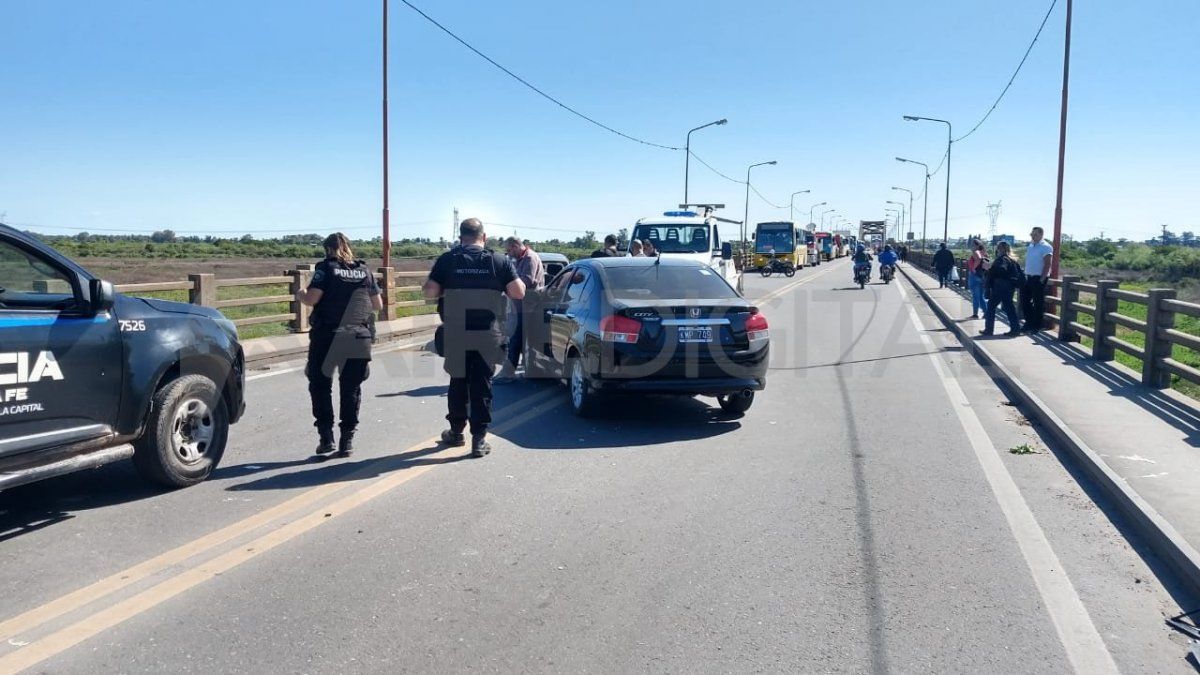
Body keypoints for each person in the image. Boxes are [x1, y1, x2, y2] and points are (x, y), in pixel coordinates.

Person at [424, 219, 525, 457]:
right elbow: (519, 292)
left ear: (461, 237)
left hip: (456, 332)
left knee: (458, 381)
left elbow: (430, 292)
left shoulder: (448, 260)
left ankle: (456, 432)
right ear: (484, 236)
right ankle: (479, 440)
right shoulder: (498, 260)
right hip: (487, 333)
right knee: (482, 385)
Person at [295, 233, 384, 457]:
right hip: (357, 336)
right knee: (351, 388)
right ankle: (347, 440)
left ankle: (326, 438)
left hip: (328, 335)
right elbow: (377, 304)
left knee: (320, 385)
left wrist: (301, 294)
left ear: (327, 249)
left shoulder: (326, 268)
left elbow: (313, 298)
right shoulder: (364, 270)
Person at [496, 237, 543, 382]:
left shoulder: (529, 258)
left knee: (515, 339)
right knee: (518, 339)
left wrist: (507, 286)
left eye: (509, 250)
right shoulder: (522, 258)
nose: (508, 253)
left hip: (527, 306)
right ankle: (524, 368)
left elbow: (527, 281)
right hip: (521, 305)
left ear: (516, 246)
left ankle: (508, 373)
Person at [981, 241, 1022, 337]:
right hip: (1009, 287)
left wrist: (989, 267)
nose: (997, 250)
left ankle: (989, 330)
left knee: (991, 307)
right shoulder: (1012, 259)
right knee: (1009, 308)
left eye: (998, 248)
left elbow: (1002, 270)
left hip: (1000, 287)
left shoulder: (1003, 259)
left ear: (1003, 249)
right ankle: (1015, 329)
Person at [1020, 226, 1054, 332]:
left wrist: (1042, 279)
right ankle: (1028, 323)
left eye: (1035, 234)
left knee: (1038, 302)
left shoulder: (1046, 247)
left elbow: (1048, 264)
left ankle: (1036, 326)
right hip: (1028, 277)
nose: (1033, 236)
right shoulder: (1031, 246)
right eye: (1031, 234)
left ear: (1041, 234)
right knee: (1024, 300)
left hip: (1038, 278)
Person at [966, 239, 990, 319]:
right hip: (982, 277)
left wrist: (973, 268)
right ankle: (986, 313)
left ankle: (975, 314)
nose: (971, 246)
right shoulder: (984, 253)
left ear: (976, 245)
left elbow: (978, 259)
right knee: (981, 297)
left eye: (972, 245)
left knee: (975, 296)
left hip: (974, 276)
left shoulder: (976, 252)